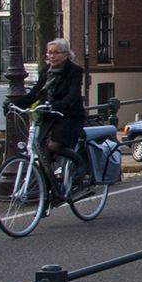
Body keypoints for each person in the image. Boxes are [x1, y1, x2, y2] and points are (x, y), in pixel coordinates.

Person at [24, 38, 87, 185]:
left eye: (56, 53)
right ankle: (49, 187)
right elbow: (35, 93)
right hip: (49, 115)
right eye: (49, 53)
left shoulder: (74, 70)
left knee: (54, 145)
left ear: (65, 54)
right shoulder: (46, 72)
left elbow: (73, 94)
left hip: (70, 115)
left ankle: (80, 163)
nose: (51, 56)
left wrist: (60, 104)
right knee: (42, 152)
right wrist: (14, 103)